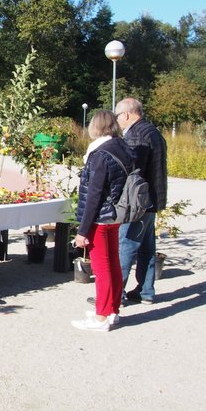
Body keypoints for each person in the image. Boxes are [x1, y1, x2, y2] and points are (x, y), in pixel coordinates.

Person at [72, 110, 135, 331]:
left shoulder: (100, 154)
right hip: (115, 214)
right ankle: (112, 310)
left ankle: (101, 317)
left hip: (100, 217)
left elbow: (94, 195)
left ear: (96, 126)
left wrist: (82, 230)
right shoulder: (122, 147)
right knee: (113, 264)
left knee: (102, 268)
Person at [113, 98, 168, 304]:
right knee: (146, 247)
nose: (117, 121)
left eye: (117, 116)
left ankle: (115, 293)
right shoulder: (153, 131)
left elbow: (132, 169)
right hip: (151, 199)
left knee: (125, 245)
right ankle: (146, 291)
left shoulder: (135, 135)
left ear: (126, 115)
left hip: (137, 201)